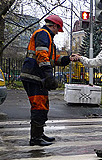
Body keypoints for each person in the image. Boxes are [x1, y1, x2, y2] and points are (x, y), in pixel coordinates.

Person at [20, 14, 74, 146]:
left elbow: (54, 60)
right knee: (39, 106)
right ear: (54, 26)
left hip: (37, 76)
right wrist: (48, 74)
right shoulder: (44, 34)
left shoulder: (47, 37)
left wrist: (69, 59)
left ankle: (39, 134)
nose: (58, 33)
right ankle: (35, 139)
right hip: (34, 76)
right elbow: (41, 55)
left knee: (43, 105)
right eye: (58, 30)